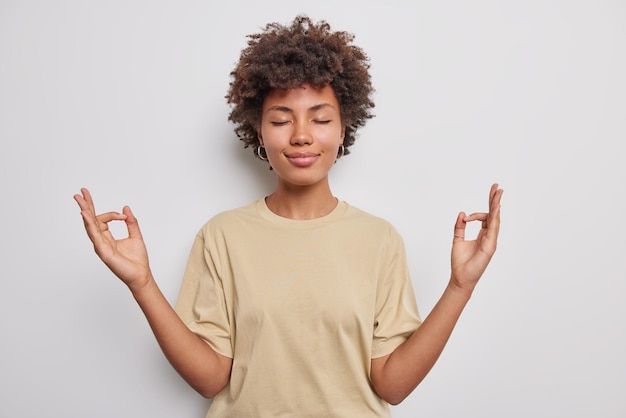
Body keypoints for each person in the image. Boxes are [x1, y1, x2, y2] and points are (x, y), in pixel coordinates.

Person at [74, 15, 503, 418]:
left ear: (342, 129)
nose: (300, 135)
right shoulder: (221, 236)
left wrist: (460, 286)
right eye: (281, 120)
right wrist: (142, 284)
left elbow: (391, 385)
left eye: (320, 119)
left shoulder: (379, 240)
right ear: (259, 131)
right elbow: (209, 379)